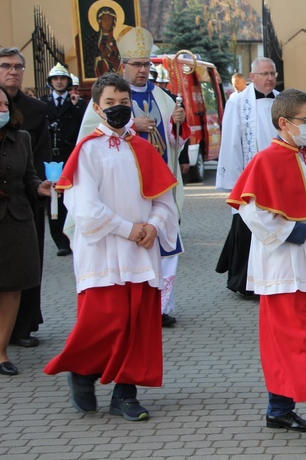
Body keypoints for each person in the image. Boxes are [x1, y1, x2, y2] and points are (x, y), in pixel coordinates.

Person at [44, 73, 179, 421]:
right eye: (110, 104)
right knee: (104, 321)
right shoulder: (87, 150)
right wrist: (129, 229)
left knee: (138, 323)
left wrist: (154, 226)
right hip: (103, 249)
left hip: (141, 249)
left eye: (123, 103)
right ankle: (83, 372)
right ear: (96, 107)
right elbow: (85, 207)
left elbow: (165, 200)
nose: (118, 109)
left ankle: (125, 394)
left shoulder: (143, 147)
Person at [226, 89, 306, 446]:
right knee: (302, 340)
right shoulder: (264, 161)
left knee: (284, 337)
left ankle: (279, 408)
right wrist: (299, 229)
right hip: (281, 263)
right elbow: (252, 213)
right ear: (284, 123)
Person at [78, 27, 189, 328]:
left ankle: (162, 305)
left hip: (157, 186)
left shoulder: (163, 98)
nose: (143, 70)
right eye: (137, 64)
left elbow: (174, 144)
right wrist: (131, 125)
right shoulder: (106, 99)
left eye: (146, 64)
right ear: (123, 65)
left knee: (165, 244)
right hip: (121, 193)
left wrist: (176, 125)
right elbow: (90, 137)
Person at [0, 47, 51, 348]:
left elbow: (40, 157)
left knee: (27, 266)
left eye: (19, 67)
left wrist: (40, 187)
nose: (14, 71)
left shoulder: (35, 110)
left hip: (25, 197)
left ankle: (24, 325)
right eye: (6, 66)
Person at [215, 57, 279, 299]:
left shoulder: (283, 100)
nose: (269, 78)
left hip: (275, 176)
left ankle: (271, 279)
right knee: (247, 227)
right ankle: (243, 281)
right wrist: (234, 182)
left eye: (272, 73)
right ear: (252, 77)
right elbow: (231, 141)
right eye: (264, 73)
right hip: (249, 175)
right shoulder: (238, 102)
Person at [44, 63, 86, 257]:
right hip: (51, 157)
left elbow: (84, 126)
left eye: (62, 79)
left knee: (72, 197)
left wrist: (76, 106)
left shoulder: (77, 102)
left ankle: (74, 236)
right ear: (51, 82)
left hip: (70, 155)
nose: (59, 82)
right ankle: (60, 241)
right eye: (55, 79)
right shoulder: (43, 103)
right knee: (53, 200)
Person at [93, 6, 120, 77]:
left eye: (109, 19)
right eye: (104, 19)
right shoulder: (94, 39)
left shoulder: (117, 37)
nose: (107, 22)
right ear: (100, 21)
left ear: (113, 20)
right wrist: (100, 57)